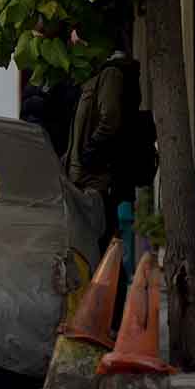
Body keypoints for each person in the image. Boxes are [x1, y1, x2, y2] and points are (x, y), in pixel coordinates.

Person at [63, 48, 143, 245]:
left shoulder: (110, 74)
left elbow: (110, 118)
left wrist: (91, 151)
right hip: (84, 183)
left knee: (99, 247)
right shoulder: (94, 78)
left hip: (96, 184)